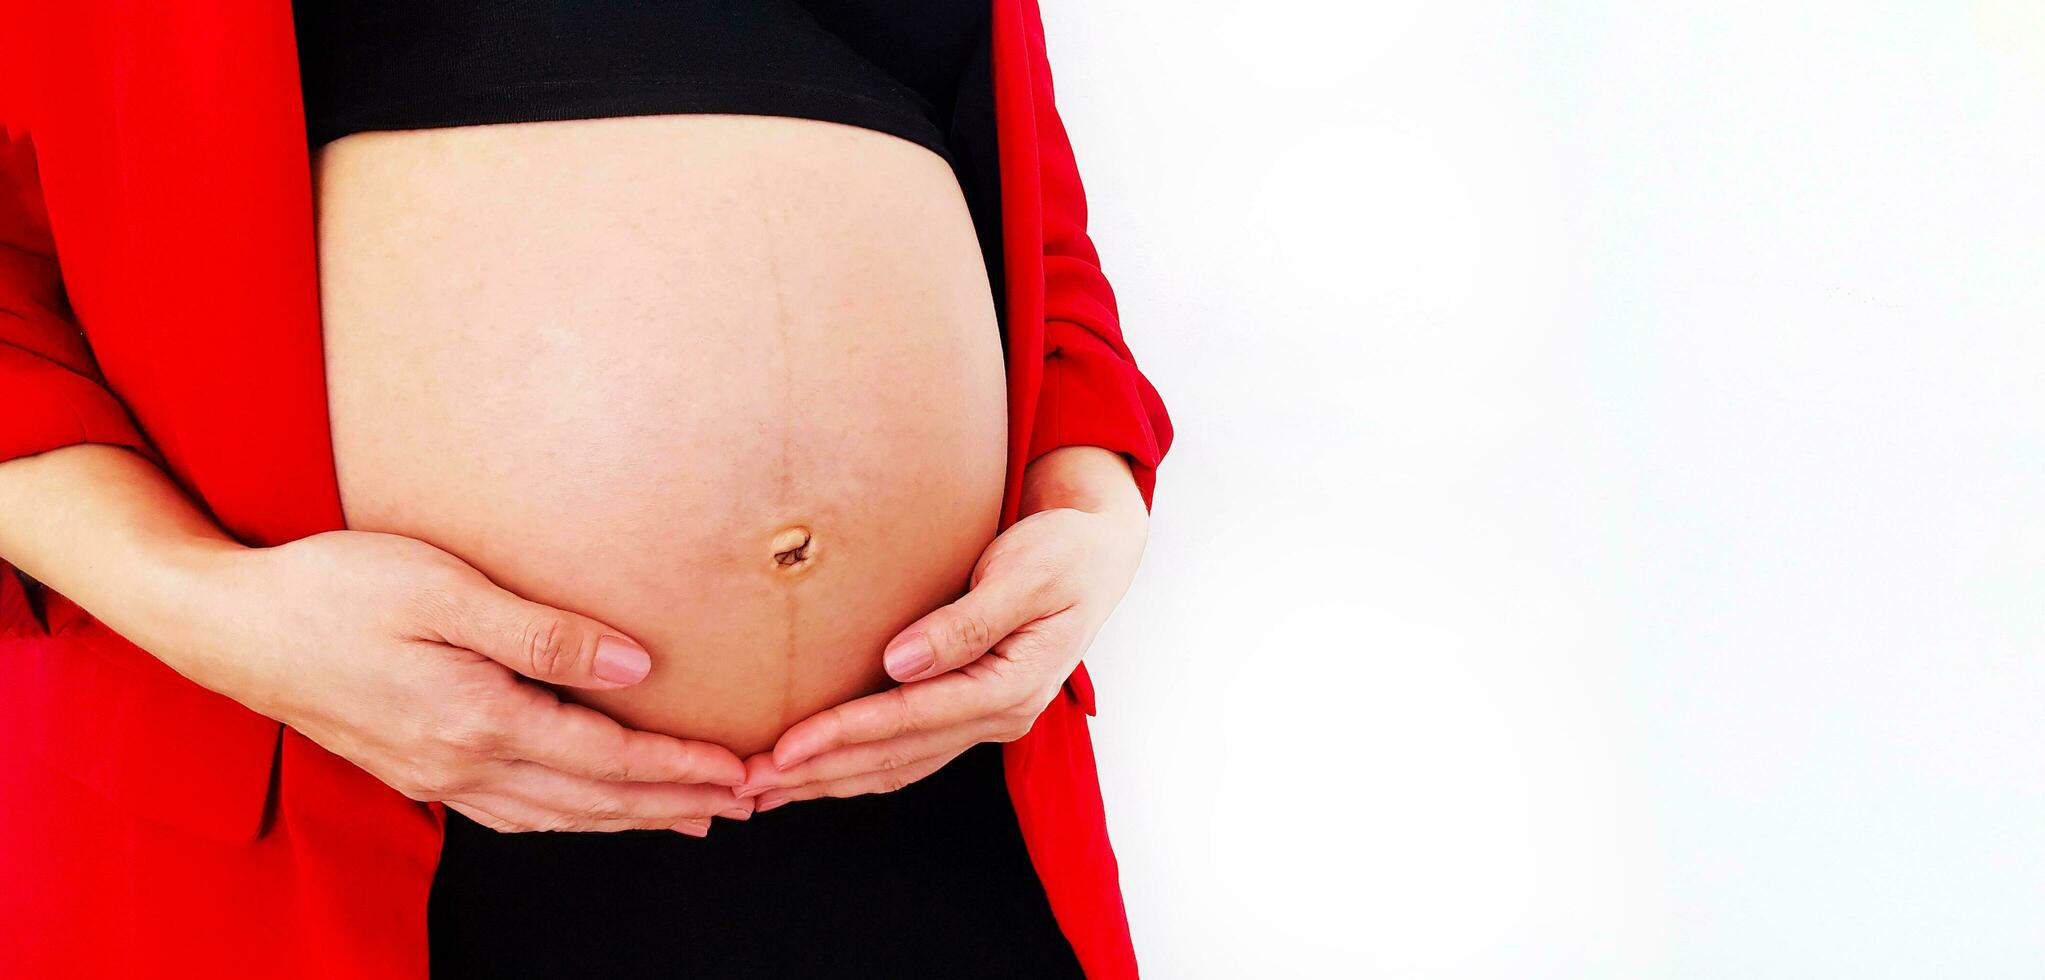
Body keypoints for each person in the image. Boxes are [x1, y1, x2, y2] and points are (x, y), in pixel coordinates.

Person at [0, 1, 1172, 977]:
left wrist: (1091, 506)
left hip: (928, 804)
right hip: (359, 775)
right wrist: (211, 607)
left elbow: (1034, 233)